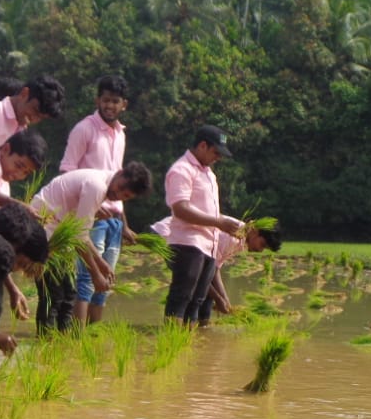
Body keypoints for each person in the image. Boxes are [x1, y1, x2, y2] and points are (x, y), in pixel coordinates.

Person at [31, 162, 153, 334]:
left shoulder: (102, 185)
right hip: (43, 229)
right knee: (54, 295)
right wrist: (96, 273)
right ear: (119, 174)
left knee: (69, 294)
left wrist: (102, 265)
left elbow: (80, 234)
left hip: (58, 234)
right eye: (119, 188)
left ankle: (64, 346)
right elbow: (80, 237)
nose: (116, 194)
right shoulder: (96, 186)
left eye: (124, 197)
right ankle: (45, 342)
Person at [60, 75, 134, 325]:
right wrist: (94, 206)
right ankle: (77, 338)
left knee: (106, 281)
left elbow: (120, 178)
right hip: (90, 214)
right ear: (97, 100)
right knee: (86, 279)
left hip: (114, 217)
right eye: (105, 100)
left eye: (115, 101)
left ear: (124, 104)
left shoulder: (120, 134)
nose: (109, 106)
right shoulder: (84, 129)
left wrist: (125, 223)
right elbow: (67, 171)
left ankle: (92, 338)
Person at [162, 125, 244, 325]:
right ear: (202, 146)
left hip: (208, 246)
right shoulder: (182, 170)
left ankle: (190, 349)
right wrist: (218, 222)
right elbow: (180, 208)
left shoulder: (208, 173)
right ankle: (171, 347)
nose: (219, 158)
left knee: (196, 302)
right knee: (181, 298)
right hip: (188, 243)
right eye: (216, 152)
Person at [152, 217, 283, 325]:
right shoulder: (232, 236)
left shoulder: (240, 239)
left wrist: (225, 300)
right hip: (170, 236)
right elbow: (201, 277)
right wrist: (219, 299)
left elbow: (213, 270)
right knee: (190, 288)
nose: (260, 250)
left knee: (205, 294)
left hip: (184, 239)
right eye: (262, 245)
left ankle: (200, 328)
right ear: (254, 231)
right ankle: (179, 332)